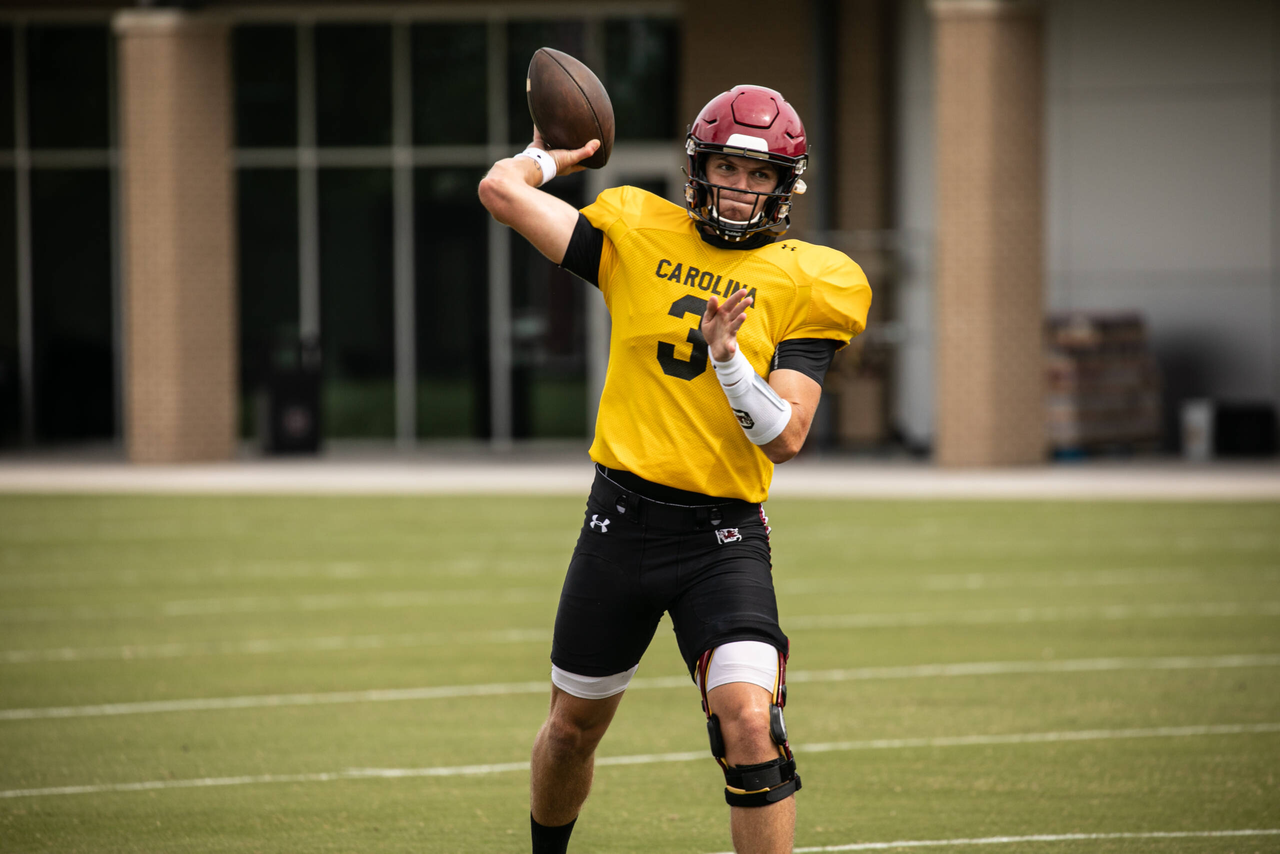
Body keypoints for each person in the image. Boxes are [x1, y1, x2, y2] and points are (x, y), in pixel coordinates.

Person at [478, 84, 871, 854]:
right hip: (618, 524)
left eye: (759, 174)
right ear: (699, 169)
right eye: (727, 167)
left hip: (721, 537)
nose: (741, 186)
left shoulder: (810, 277)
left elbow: (785, 438)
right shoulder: (636, 229)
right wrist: (550, 156)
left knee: (751, 724)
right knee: (570, 731)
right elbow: (501, 190)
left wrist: (729, 360)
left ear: (784, 186)